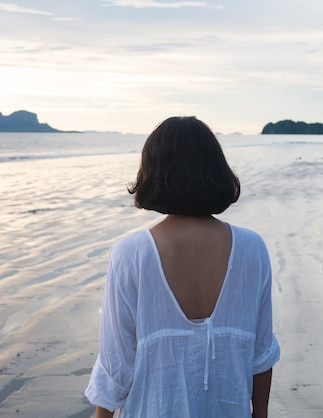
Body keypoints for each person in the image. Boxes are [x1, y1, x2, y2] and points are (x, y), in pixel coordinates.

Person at [85, 116, 280, 417]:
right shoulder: (252, 248)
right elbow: (261, 355)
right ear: (217, 170)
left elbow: (115, 368)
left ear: (153, 173)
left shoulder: (131, 253)